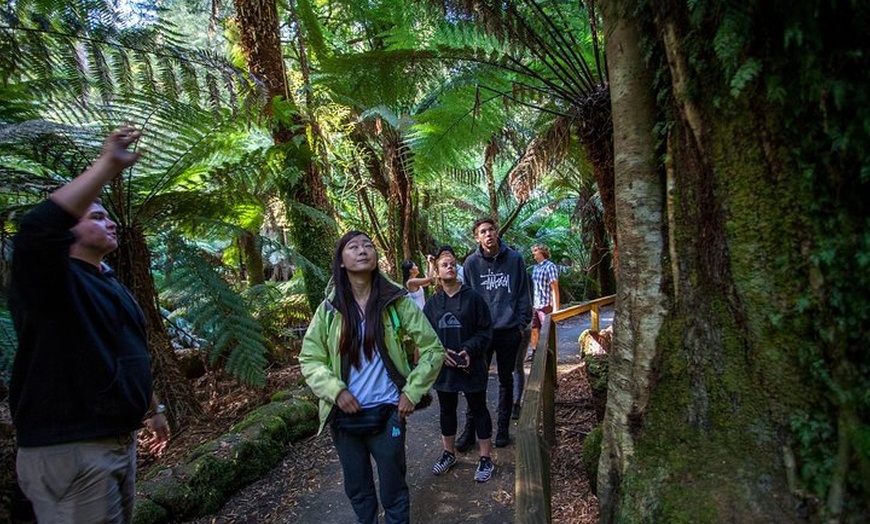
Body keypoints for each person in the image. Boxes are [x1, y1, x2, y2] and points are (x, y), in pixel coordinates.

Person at [8, 126, 171, 523]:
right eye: (96, 216)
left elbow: (129, 352)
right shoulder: (49, 281)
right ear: (65, 231)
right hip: (71, 448)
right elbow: (34, 231)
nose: (111, 223)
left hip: (116, 442)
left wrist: (153, 409)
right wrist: (106, 166)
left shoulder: (107, 281)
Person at [299, 231, 445, 524]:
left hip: (388, 412)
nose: (362, 250)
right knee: (358, 490)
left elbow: (433, 348)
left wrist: (412, 392)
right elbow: (310, 358)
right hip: (344, 418)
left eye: (368, 245)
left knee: (394, 490)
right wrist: (335, 391)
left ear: (376, 258)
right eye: (353, 247)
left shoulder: (396, 302)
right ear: (341, 261)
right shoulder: (329, 310)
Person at [456, 218, 531, 450]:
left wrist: (521, 323)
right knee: (474, 380)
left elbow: (523, 293)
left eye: (491, 230)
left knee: (505, 379)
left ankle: (502, 429)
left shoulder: (515, 259)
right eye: (482, 232)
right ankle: (471, 430)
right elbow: (467, 297)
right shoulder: (471, 264)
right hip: (482, 332)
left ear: (496, 232)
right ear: (477, 237)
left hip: (509, 330)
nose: (488, 234)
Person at [423, 247, 495, 482]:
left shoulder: (473, 298)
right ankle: (448, 453)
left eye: (453, 263)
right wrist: (439, 352)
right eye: (444, 264)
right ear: (437, 271)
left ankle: (485, 458)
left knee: (478, 409)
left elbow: (485, 331)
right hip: (444, 368)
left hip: (471, 365)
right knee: (446, 410)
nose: (450, 267)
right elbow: (425, 335)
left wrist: (469, 350)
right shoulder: (433, 304)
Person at [513, 243, 560, 418]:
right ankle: (535, 352)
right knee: (534, 329)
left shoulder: (550, 266)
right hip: (536, 305)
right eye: (532, 251)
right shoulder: (535, 268)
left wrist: (556, 309)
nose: (533, 254)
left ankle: (548, 356)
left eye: (535, 251)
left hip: (546, 305)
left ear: (543, 252)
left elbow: (554, 286)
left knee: (547, 332)